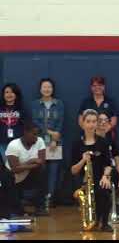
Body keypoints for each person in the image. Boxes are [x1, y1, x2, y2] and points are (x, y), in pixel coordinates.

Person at [71, 109, 114, 232]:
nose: (91, 124)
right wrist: (83, 160)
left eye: (94, 121)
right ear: (83, 123)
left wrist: (105, 176)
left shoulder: (103, 142)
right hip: (82, 181)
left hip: (98, 178)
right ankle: (91, 219)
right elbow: (73, 170)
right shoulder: (76, 143)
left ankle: (104, 223)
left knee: (104, 190)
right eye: (88, 121)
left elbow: (108, 165)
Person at [31, 78, 65, 208]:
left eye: (49, 87)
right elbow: (35, 123)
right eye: (44, 87)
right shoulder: (34, 104)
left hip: (56, 143)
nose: (47, 89)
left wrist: (55, 140)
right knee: (40, 170)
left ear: (53, 89)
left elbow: (60, 123)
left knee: (54, 171)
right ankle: (39, 197)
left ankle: (50, 197)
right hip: (39, 142)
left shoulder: (60, 104)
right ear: (40, 89)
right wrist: (51, 133)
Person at [4, 121, 48, 217]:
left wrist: (25, 166)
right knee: (16, 211)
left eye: (37, 134)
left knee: (42, 171)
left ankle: (40, 207)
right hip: (12, 178)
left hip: (27, 176)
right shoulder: (14, 145)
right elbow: (15, 169)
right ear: (26, 133)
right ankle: (18, 207)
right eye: (34, 134)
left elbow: (41, 162)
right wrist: (31, 161)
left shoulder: (39, 141)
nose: (36, 137)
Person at [0, 83, 29, 162]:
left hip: (18, 142)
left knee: (18, 165)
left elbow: (27, 125)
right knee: (8, 165)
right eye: (7, 92)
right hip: (3, 142)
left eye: (12, 92)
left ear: (16, 94)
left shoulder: (21, 109)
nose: (9, 94)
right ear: (3, 94)